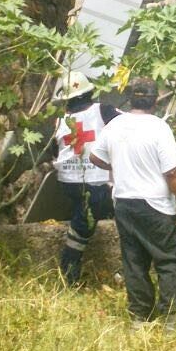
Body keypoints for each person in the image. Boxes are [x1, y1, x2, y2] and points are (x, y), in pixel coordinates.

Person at [90, 77, 176, 327]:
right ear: (155, 101)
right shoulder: (158, 128)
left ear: (130, 99)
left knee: (134, 261)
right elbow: (172, 173)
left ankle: (139, 316)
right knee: (168, 260)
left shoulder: (115, 125)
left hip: (124, 202)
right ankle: (169, 317)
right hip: (155, 204)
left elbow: (95, 157)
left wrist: (117, 166)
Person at [52, 70, 119, 284]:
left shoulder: (60, 120)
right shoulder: (104, 110)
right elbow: (130, 126)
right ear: (90, 92)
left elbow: (54, 150)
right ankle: (69, 271)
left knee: (88, 211)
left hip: (67, 181)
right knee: (83, 224)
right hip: (96, 180)